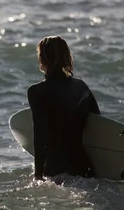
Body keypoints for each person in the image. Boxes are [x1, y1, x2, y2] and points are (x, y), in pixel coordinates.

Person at [27, 36, 101, 181]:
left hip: (56, 169)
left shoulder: (36, 91)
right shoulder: (81, 87)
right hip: (83, 167)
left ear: (42, 58)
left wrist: (38, 175)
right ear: (66, 57)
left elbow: (40, 134)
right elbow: (98, 125)